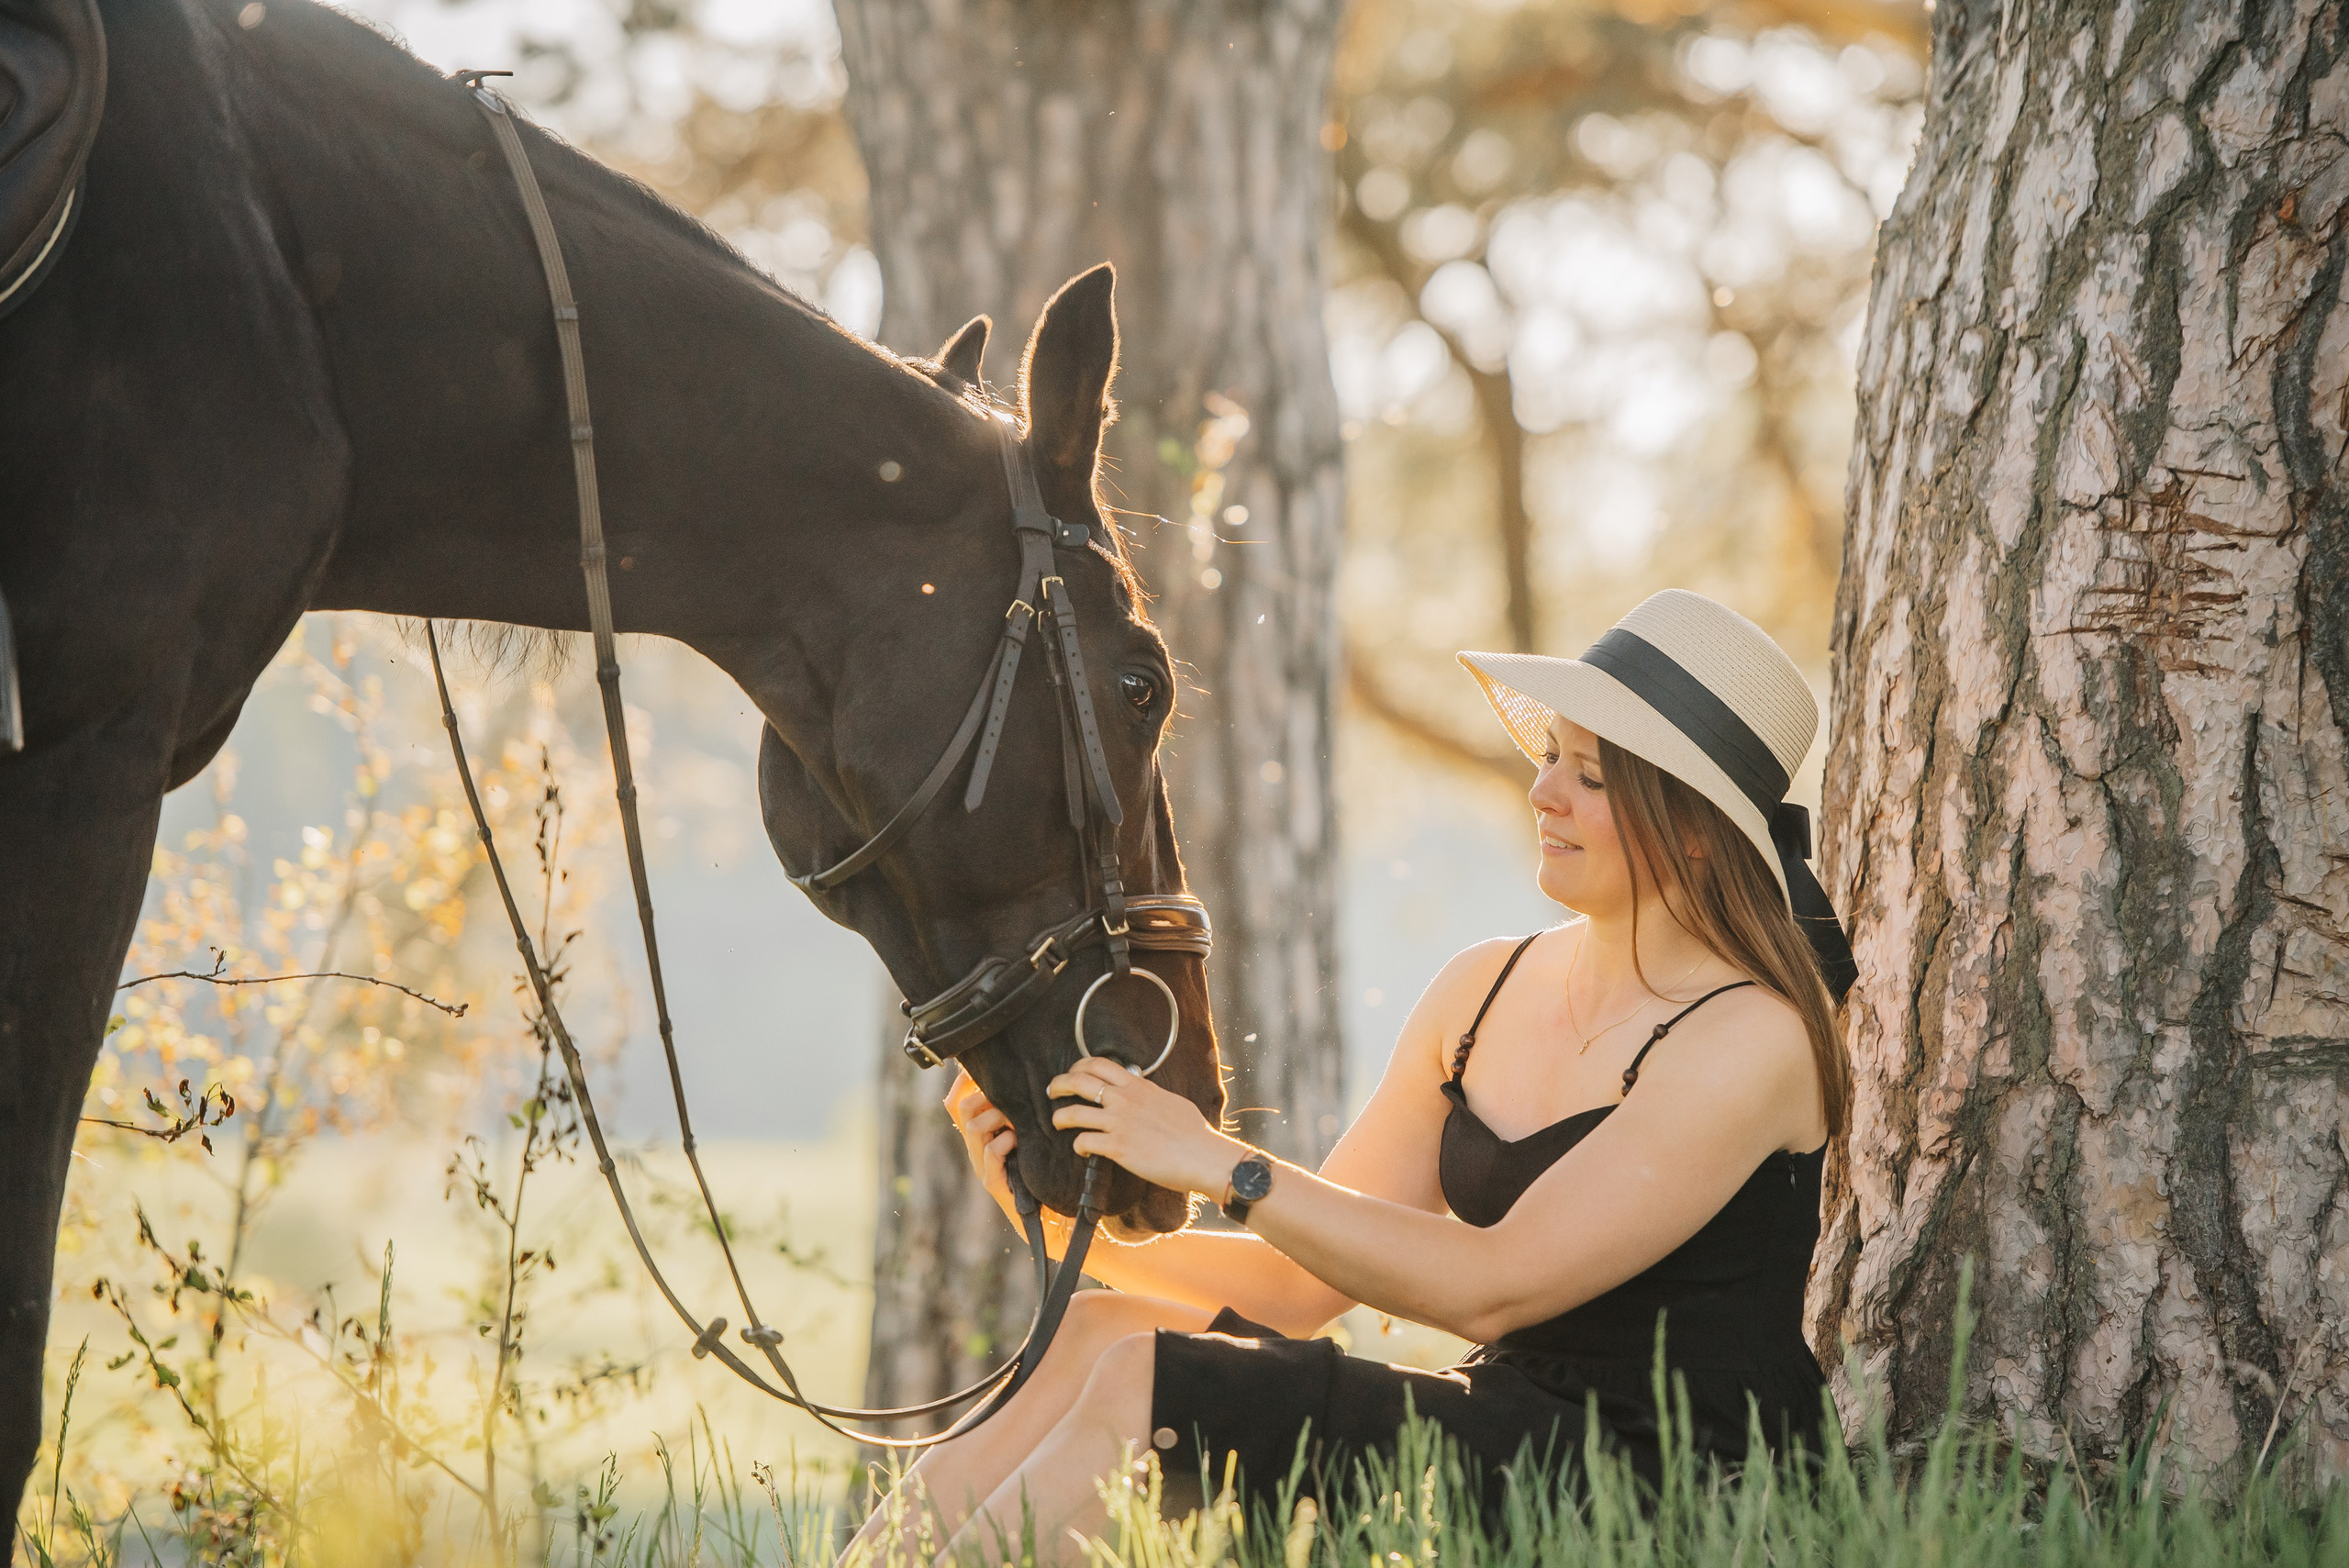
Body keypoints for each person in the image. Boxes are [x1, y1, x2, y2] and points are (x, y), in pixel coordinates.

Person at [842, 589, 1859, 1565]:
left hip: (1666, 1476)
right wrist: (1061, 1227)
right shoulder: (1484, 987)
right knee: (1104, 1326)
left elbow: (1495, 1286)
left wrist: (1216, 1163)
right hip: (1501, 1426)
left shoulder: (1753, 1035)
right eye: (1551, 755)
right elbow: (1295, 1284)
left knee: (1156, 1378)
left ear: (1690, 824)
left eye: (1590, 778)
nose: (1543, 789)